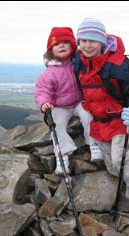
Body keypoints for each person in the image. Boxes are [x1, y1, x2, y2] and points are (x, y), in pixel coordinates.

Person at [74, 18, 129, 219]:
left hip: (120, 121)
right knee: (111, 166)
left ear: (102, 42)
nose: (87, 45)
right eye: (83, 40)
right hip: (99, 123)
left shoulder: (116, 65)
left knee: (121, 162)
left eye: (92, 40)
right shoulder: (79, 64)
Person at [34, 26, 103, 176]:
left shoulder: (77, 63)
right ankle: (63, 157)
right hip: (60, 106)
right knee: (56, 125)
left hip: (79, 101)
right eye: (57, 44)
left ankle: (94, 145)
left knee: (88, 115)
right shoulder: (50, 73)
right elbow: (42, 90)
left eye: (66, 42)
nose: (62, 46)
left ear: (73, 45)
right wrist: (44, 103)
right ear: (51, 50)